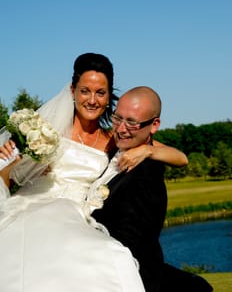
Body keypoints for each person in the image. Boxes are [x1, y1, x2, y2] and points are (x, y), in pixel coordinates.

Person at [0, 53, 187, 292]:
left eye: (100, 93)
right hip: (33, 209)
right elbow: (5, 174)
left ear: (109, 96)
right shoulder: (44, 131)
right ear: (72, 91)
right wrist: (14, 160)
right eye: (85, 91)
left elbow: (181, 158)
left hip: (77, 219)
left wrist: (149, 151)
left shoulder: (115, 138)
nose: (92, 100)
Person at [91, 86, 213, 292]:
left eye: (131, 122)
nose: (121, 129)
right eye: (117, 118)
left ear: (154, 125)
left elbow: (132, 245)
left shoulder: (146, 174)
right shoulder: (118, 147)